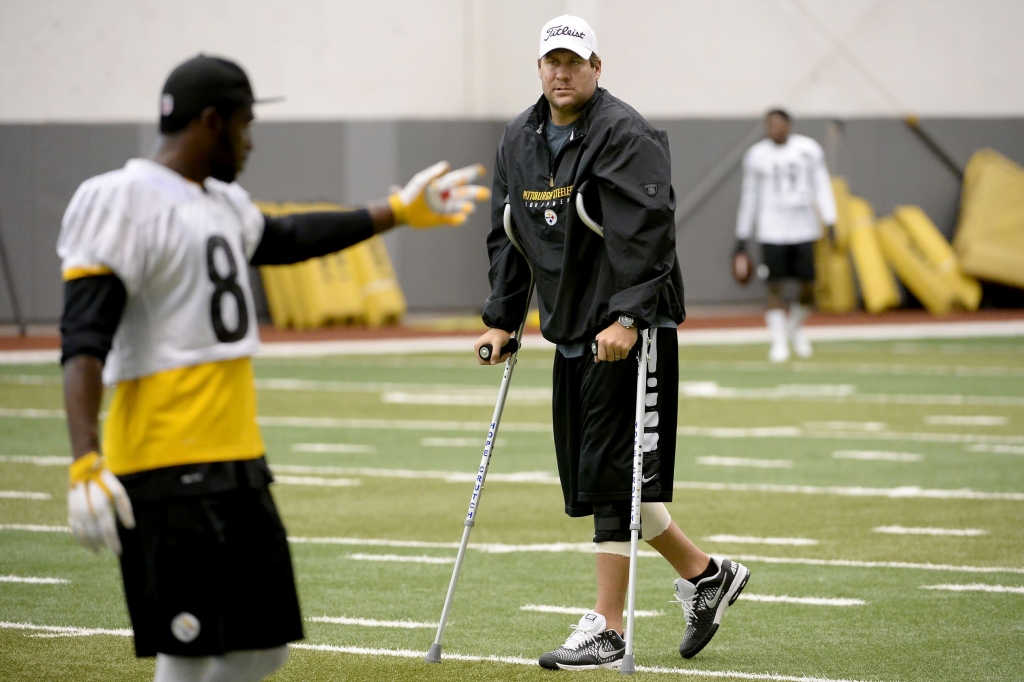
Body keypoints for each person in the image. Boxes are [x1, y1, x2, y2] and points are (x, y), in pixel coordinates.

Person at [59, 54, 489, 682]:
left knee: (262, 646)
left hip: (237, 459)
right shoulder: (119, 200)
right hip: (164, 462)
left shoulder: (220, 204)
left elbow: (289, 239)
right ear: (211, 122)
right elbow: (83, 338)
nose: (250, 138)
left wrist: (395, 208)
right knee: (189, 650)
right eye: (244, 123)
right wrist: (83, 458)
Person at [474, 15, 749, 671]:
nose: (562, 72)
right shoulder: (519, 137)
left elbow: (649, 234)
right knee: (599, 479)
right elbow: (508, 230)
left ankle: (609, 626)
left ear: (598, 66)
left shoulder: (626, 133)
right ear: (539, 69)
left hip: (631, 329)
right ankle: (706, 575)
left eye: (575, 61)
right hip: (570, 325)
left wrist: (628, 318)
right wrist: (501, 318)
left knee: (612, 478)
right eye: (552, 62)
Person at [734, 108, 837, 362]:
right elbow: (750, 195)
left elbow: (821, 184)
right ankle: (778, 341)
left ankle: (795, 329)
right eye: (770, 125)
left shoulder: (808, 149)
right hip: (772, 228)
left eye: (778, 125)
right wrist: (742, 234)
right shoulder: (757, 155)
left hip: (804, 226)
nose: (774, 130)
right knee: (774, 285)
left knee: (808, 286)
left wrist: (830, 219)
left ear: (789, 125)